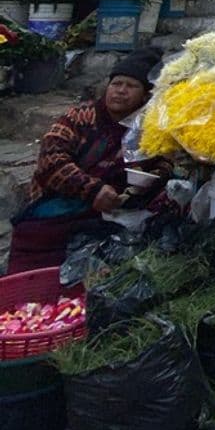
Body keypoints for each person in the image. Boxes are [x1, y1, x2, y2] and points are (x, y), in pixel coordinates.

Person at [6, 49, 168, 274]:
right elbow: (51, 161)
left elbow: (163, 162)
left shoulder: (149, 128)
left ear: (145, 95)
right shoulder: (79, 117)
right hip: (57, 206)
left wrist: (149, 181)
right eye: (116, 83)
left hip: (110, 214)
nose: (120, 91)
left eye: (131, 86)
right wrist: (92, 190)